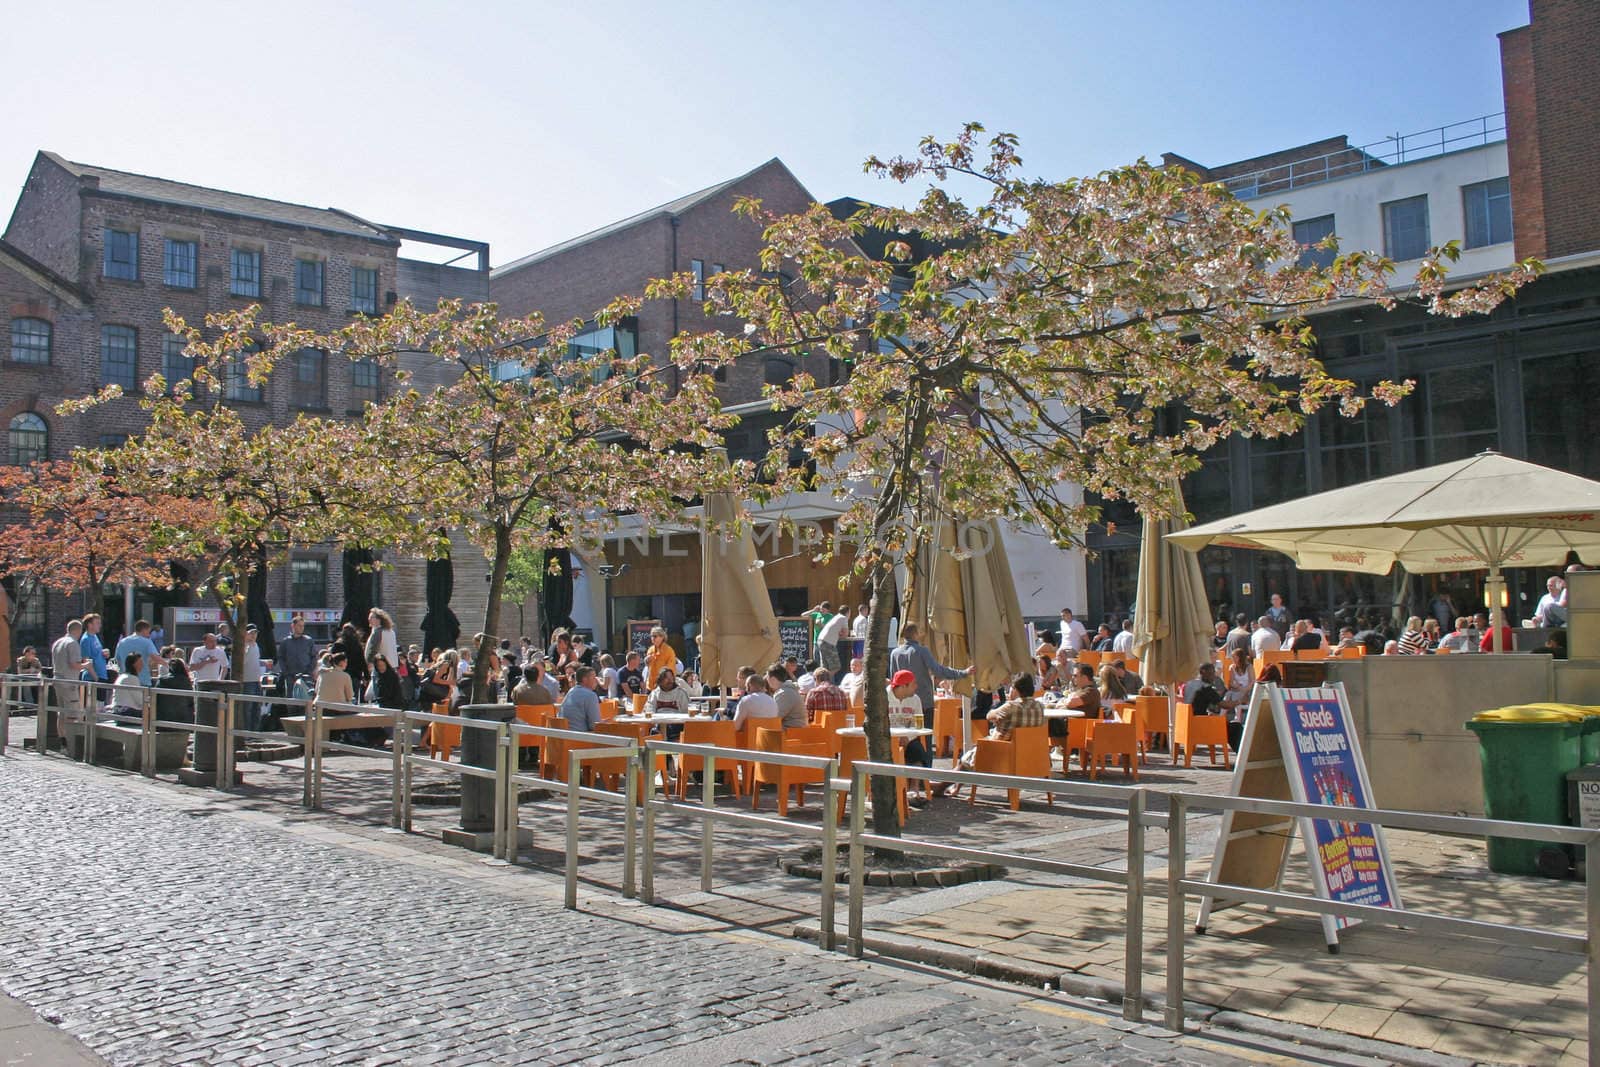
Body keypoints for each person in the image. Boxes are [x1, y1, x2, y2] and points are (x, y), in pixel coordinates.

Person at [889, 623, 972, 735]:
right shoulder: (922, 651)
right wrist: (962, 673)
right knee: (924, 736)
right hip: (924, 701)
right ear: (916, 634)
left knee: (902, 737)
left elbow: (894, 678)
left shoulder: (894, 653)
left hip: (904, 702)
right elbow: (938, 670)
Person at [956, 672, 1045, 770]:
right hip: (1030, 753)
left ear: (1016, 689)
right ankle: (953, 784)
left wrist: (1000, 715)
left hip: (1002, 753)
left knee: (966, 759)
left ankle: (950, 784)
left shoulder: (1011, 706)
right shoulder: (1040, 706)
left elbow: (989, 715)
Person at [50, 620, 88, 742]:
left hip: (57, 679)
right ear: (78, 630)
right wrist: (86, 665)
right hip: (69, 682)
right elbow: (74, 665)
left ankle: (63, 741)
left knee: (61, 712)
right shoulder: (73, 643)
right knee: (72, 713)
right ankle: (71, 743)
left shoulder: (57, 642)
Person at [112, 619, 161, 687]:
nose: (149, 635)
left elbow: (117, 661)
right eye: (148, 632)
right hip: (143, 680)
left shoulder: (122, 642)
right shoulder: (147, 642)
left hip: (124, 680)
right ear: (144, 630)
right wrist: (167, 666)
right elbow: (155, 658)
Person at [278, 615, 316, 691]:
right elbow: (281, 658)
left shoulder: (309, 641)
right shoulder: (285, 642)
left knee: (306, 699)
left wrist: (309, 671)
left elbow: (313, 657)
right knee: (291, 699)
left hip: (306, 676)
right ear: (293, 626)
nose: (302, 628)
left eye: (303, 626)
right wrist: (286, 673)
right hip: (290, 677)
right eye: (299, 626)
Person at [560, 666, 603, 732]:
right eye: (594, 677)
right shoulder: (591, 695)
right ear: (584, 679)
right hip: (580, 738)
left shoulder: (571, 691)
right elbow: (594, 725)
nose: (596, 680)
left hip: (564, 736)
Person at [108, 652, 146, 722]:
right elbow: (140, 701)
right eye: (140, 662)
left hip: (118, 710)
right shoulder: (132, 678)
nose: (142, 665)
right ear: (134, 664)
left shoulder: (122, 676)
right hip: (127, 711)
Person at [156, 655, 193, 724]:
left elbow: (156, 699)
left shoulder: (162, 681)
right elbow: (190, 701)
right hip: (183, 721)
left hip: (162, 720)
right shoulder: (186, 682)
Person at [816, 604, 849, 674]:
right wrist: (839, 635)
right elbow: (845, 634)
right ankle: (827, 680)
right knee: (836, 667)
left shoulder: (836, 617)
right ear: (848, 612)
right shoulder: (844, 618)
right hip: (828, 643)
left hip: (820, 640)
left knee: (825, 667)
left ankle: (823, 682)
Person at [79, 613, 110, 684]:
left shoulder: (95, 636)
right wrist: (96, 679)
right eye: (97, 623)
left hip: (102, 675)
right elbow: (86, 660)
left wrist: (105, 653)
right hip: (92, 679)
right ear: (90, 625)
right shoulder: (86, 639)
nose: (100, 625)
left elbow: (96, 653)